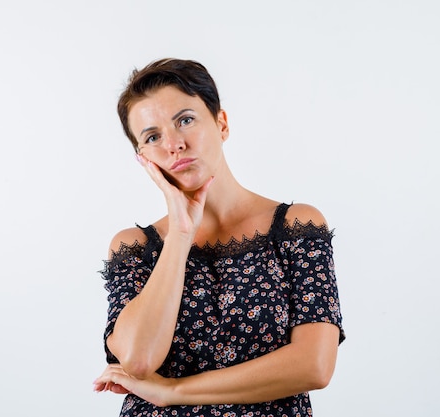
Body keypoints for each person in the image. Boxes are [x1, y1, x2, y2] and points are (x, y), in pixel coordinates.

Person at [93, 58, 345, 417]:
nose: (174, 144)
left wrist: (174, 391)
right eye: (153, 137)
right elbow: (137, 360)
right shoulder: (134, 247)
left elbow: (314, 366)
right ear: (143, 157)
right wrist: (180, 234)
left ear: (221, 123)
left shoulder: (295, 226)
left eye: (185, 120)